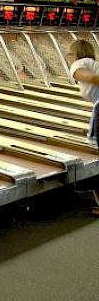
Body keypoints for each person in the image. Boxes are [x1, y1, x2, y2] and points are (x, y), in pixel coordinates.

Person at [67, 39, 99, 216]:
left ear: (74, 54)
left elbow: (93, 78)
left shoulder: (77, 65)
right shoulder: (93, 63)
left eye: (68, 54)